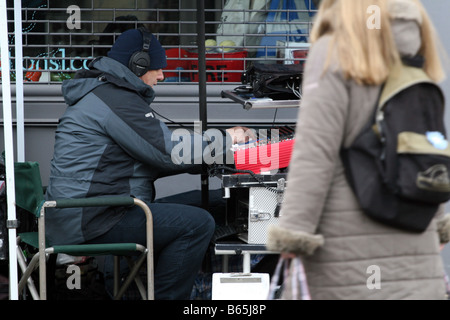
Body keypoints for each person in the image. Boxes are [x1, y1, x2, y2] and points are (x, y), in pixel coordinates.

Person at [44, 27, 253, 300]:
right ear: (137, 64)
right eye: (157, 68)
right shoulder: (116, 99)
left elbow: (151, 157)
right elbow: (165, 152)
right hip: (92, 219)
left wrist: (215, 156)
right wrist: (228, 140)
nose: (162, 75)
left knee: (211, 203)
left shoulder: (110, 94)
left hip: (93, 212)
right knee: (198, 223)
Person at [267, 0, 450, 299]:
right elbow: (426, 148)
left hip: (345, 253)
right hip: (417, 236)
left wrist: (294, 233)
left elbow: (315, 153)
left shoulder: (334, 51)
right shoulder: (416, 52)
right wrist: (438, 222)